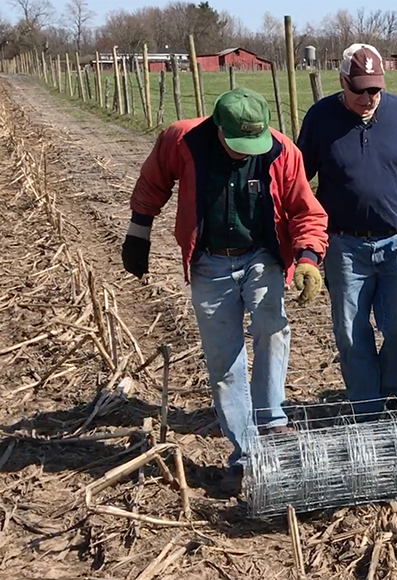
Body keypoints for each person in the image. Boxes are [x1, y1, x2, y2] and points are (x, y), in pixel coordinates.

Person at [120, 87, 329, 478]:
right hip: (210, 263)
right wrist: (139, 230)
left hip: (261, 256)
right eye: (238, 143)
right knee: (224, 358)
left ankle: (271, 419)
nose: (246, 151)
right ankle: (246, 450)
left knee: (272, 328)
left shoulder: (283, 151)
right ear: (218, 127)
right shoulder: (182, 140)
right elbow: (154, 180)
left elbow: (305, 209)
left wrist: (308, 257)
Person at [296, 43, 397, 417]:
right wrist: (302, 244)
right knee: (350, 332)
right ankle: (368, 411)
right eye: (359, 89)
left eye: (374, 89)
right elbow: (297, 180)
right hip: (344, 245)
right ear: (342, 81)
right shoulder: (320, 118)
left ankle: (392, 394)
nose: (367, 97)